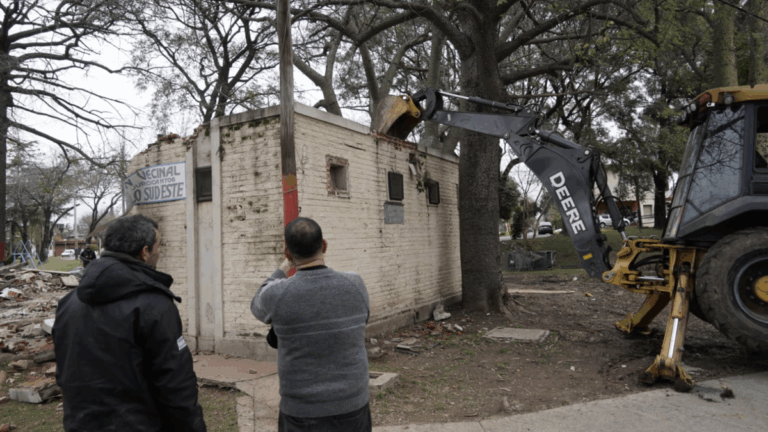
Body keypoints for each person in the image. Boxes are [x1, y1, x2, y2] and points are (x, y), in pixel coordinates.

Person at [52, 214, 206, 432]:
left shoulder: (69, 302)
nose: (159, 252)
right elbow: (175, 386)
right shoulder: (154, 305)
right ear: (145, 252)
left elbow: (64, 372)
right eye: (158, 245)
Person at [251, 217, 371, 432]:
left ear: (287, 253)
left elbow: (257, 302)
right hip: (353, 406)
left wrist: (281, 269)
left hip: (301, 413)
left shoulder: (277, 293)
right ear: (324, 245)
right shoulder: (355, 284)